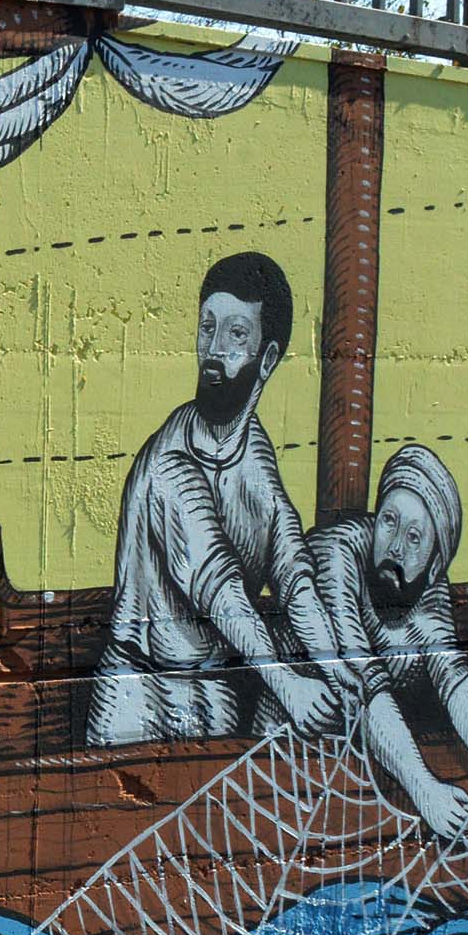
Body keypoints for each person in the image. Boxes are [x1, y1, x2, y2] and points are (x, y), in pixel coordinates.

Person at [84, 251, 338, 747]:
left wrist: (343, 669)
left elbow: (293, 574)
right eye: (207, 328)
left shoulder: (255, 454)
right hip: (136, 698)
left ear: (267, 359)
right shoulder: (168, 462)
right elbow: (219, 590)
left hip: (216, 693)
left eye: (235, 334)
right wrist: (289, 685)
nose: (213, 351)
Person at [272, 443, 468, 839]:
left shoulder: (428, 590)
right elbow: (362, 683)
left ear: (435, 560)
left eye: (415, 537)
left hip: (360, 762)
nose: (396, 546)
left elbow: (451, 674)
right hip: (286, 755)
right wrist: (423, 788)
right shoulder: (336, 554)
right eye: (389, 521)